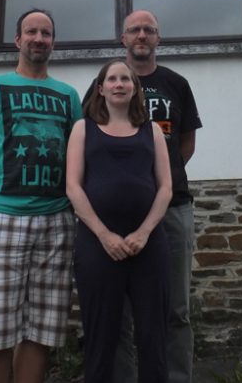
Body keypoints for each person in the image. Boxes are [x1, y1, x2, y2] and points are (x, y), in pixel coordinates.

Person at [0, 9, 82, 383]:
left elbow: (80, 156)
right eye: (32, 31)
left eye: (46, 33)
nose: (39, 38)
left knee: (41, 331)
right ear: (18, 40)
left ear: (53, 42)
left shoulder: (68, 95)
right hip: (2, 217)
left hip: (57, 221)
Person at [87, 10, 202, 383]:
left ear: (158, 39)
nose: (141, 35)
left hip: (172, 207)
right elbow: (89, 138)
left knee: (175, 308)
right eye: (134, 30)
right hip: (114, 216)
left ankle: (174, 378)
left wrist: (154, 181)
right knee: (116, 313)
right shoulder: (103, 84)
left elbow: (185, 143)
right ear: (123, 39)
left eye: (148, 30)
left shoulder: (177, 84)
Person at [67, 59, 172, 383]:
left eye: (125, 79)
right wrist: (103, 235)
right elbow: (73, 186)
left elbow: (165, 187)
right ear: (101, 88)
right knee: (101, 335)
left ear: (134, 88)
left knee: (153, 334)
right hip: (98, 246)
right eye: (112, 79)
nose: (119, 84)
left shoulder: (151, 130)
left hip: (149, 245)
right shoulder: (83, 128)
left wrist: (143, 232)